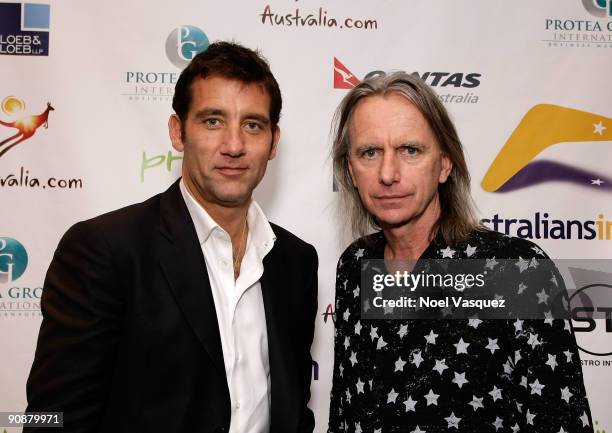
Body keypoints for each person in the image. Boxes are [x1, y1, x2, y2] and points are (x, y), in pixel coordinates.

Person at [25, 41, 318, 433]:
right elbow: (53, 420)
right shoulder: (105, 250)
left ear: (274, 142)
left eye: (252, 125)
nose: (234, 145)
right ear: (178, 131)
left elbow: (291, 407)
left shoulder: (295, 261)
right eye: (213, 121)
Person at [328, 72, 594, 433]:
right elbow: (345, 413)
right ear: (350, 170)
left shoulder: (514, 270)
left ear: (445, 163)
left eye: (410, 150)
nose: (387, 174)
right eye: (369, 152)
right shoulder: (356, 266)